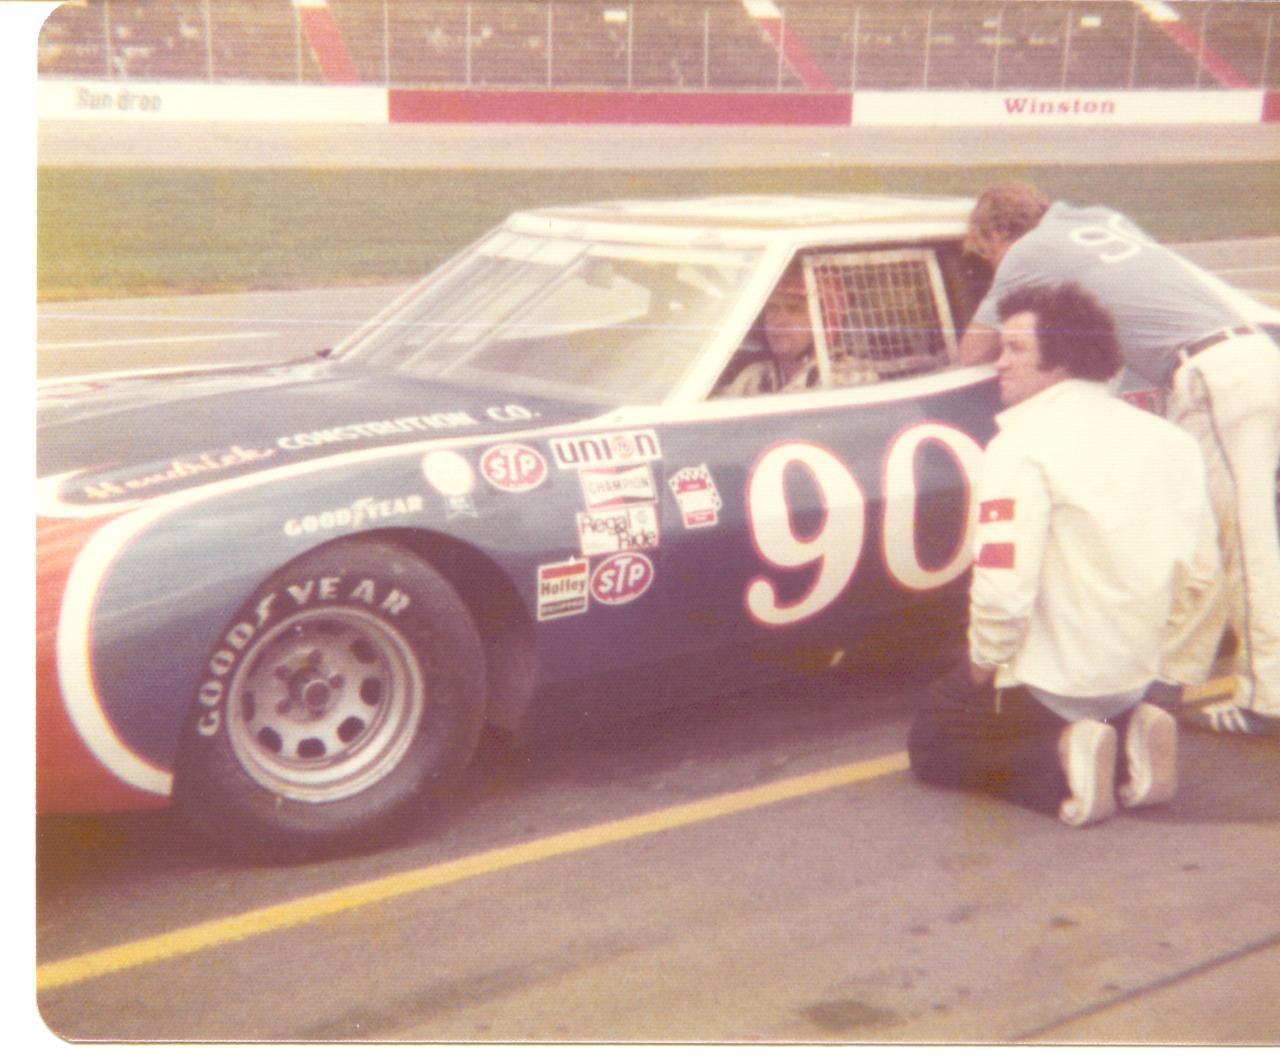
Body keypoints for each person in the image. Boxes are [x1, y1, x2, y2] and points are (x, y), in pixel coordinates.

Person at [956, 181, 1280, 737]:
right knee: (1214, 538)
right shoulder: (1100, 216)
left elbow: (972, 351)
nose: (992, 266)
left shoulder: (1028, 250)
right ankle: (1177, 679)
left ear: (999, 233)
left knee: (1242, 544)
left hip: (1213, 376)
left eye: (987, 255)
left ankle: (1267, 699)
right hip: (1249, 356)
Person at [909, 282, 1219, 826]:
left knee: (932, 743)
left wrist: (979, 669)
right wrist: (1172, 677)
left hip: (1052, 685)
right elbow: (1204, 574)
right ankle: (1129, 745)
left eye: (1016, 349)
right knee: (1090, 710)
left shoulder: (1019, 447)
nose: (999, 363)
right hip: (1136, 676)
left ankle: (1060, 765)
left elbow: (1004, 588)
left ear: (1061, 360)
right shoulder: (1171, 441)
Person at [718, 260, 820, 397]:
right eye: (772, 309)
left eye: (794, 309)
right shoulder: (755, 376)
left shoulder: (838, 377)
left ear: (821, 318)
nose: (778, 321)